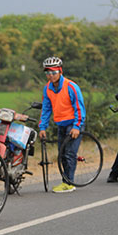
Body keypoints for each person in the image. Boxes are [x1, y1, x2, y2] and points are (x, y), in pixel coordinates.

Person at [38, 56, 86, 193]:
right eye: (48, 73)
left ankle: (69, 183)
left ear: (60, 71)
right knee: (62, 154)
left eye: (53, 72)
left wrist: (77, 126)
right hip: (61, 124)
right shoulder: (47, 89)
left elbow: (79, 108)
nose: (51, 76)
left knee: (69, 153)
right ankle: (66, 180)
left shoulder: (71, 86)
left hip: (74, 123)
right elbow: (46, 109)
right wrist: (42, 127)